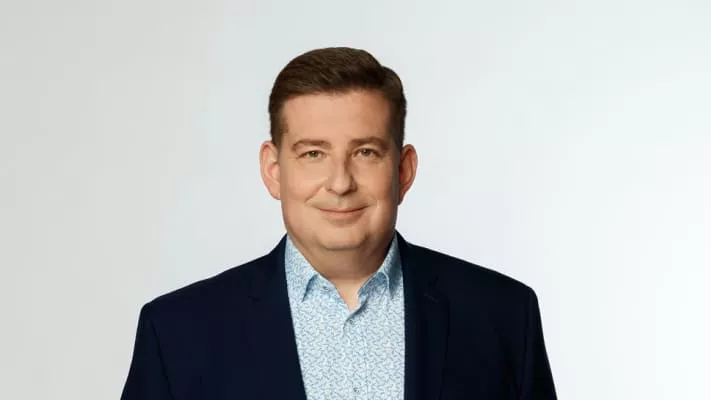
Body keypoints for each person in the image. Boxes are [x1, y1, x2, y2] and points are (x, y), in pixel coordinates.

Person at [120, 47, 557, 400]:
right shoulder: (177, 334)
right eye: (313, 153)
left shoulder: (503, 317)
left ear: (403, 171)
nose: (341, 182)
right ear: (273, 170)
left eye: (365, 152)